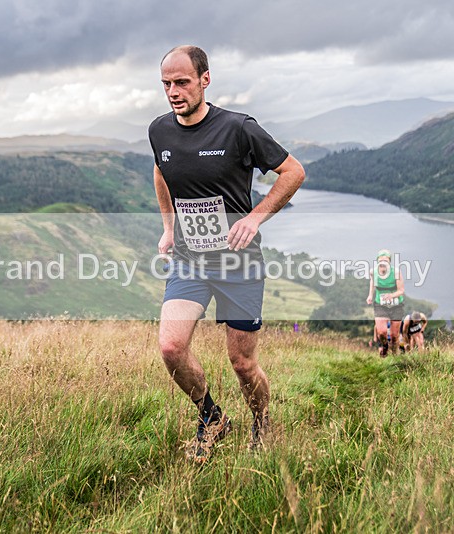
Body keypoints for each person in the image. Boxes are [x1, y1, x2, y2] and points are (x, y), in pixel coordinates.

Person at [149, 45, 305, 462]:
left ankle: (261, 422)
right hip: (189, 259)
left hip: (239, 263)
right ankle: (211, 417)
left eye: (182, 82)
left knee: (241, 363)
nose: (174, 92)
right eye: (166, 84)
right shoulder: (159, 130)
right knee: (170, 347)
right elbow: (161, 171)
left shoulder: (239, 129)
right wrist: (168, 228)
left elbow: (294, 171)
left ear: (205, 79)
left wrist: (254, 218)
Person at [366, 249, 405, 356]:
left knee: (394, 335)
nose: (383, 263)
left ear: (389, 262)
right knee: (382, 332)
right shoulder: (373, 272)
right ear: (378, 262)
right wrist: (370, 295)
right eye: (381, 260)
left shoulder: (396, 272)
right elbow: (373, 282)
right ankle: (384, 347)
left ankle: (395, 353)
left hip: (396, 305)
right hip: (380, 304)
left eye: (386, 260)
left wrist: (391, 295)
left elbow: (401, 291)